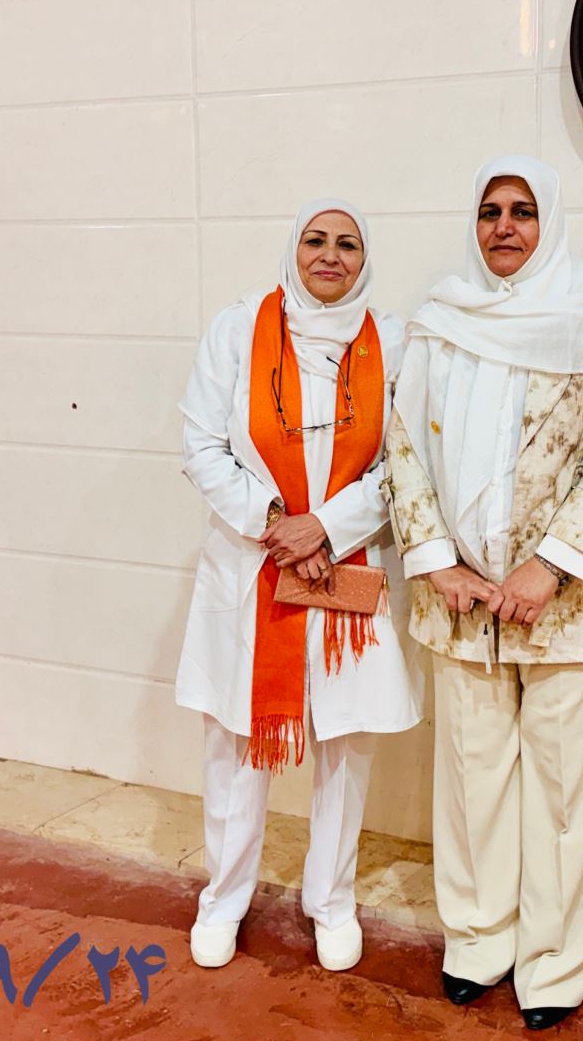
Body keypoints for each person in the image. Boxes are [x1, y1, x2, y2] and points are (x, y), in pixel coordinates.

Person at [384, 155, 583, 1030]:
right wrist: (435, 559)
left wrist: (550, 568)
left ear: (552, 224)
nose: (504, 226)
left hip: (572, 609)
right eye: (491, 211)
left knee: (568, 789)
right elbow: (401, 447)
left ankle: (555, 962)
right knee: (472, 781)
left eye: (524, 211)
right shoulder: (441, 321)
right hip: (462, 602)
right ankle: (477, 939)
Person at [174, 199, 419, 974]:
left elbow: (405, 461)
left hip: (345, 567)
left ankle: (331, 900)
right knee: (237, 740)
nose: (330, 255)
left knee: (344, 742)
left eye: (348, 244)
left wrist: (327, 529)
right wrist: (278, 523)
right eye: (316, 240)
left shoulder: (393, 341)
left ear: (365, 260)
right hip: (253, 564)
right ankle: (224, 897)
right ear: (293, 248)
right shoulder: (237, 329)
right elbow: (201, 445)